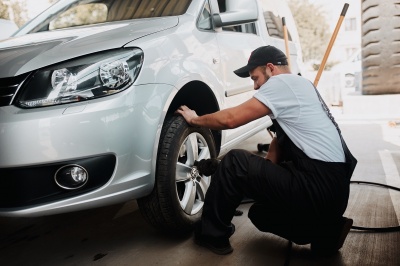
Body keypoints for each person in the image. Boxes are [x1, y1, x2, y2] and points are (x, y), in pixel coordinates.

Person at [176, 45, 356, 256]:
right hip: (334, 194)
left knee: (235, 161)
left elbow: (231, 119)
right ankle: (326, 233)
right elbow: (273, 156)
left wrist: (195, 119)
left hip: (316, 186)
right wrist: (229, 175)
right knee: (260, 214)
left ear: (271, 69)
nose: (255, 87)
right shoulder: (302, 85)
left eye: (255, 78)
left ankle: (211, 235)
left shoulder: (283, 83)